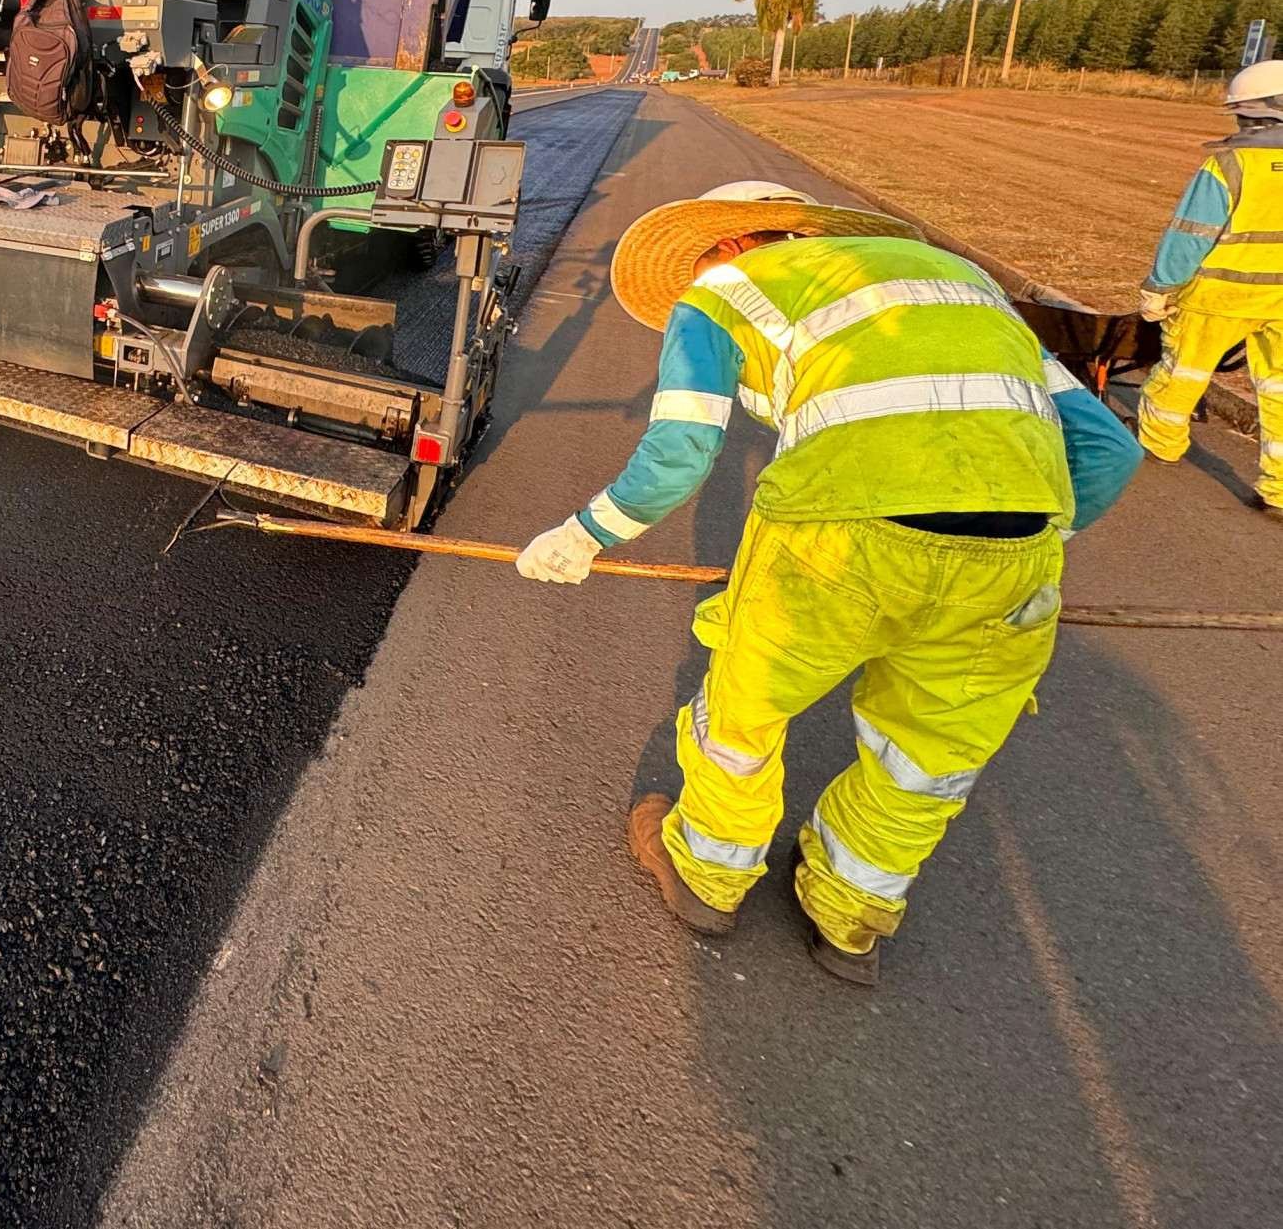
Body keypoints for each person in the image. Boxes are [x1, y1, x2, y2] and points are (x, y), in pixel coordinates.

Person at [514, 180, 1141, 986]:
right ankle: (848, 918)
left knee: (746, 708)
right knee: (927, 753)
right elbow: (1109, 451)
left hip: (837, 540)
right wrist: (1012, 550)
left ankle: (707, 874)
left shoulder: (723, 289)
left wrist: (583, 534)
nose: (687, 287)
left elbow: (680, 453)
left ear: (737, 242)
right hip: (1016, 555)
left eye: (695, 267)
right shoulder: (964, 281)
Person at [1135, 57, 1283, 512]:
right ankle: (1278, 488)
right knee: (1279, 390)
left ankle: (1160, 445)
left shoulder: (1228, 165)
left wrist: (1160, 287)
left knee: (1182, 375)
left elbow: (1189, 236)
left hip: (1218, 297)